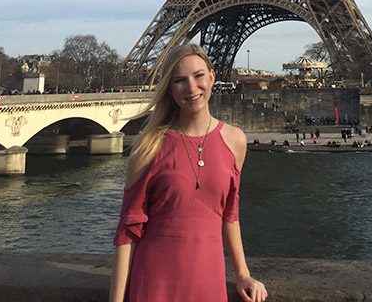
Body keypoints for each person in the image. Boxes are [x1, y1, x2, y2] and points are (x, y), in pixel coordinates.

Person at [109, 43, 268, 302]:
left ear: (212, 77)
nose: (192, 88)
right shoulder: (149, 147)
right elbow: (128, 232)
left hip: (209, 282)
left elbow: (229, 216)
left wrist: (243, 275)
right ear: (170, 90)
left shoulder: (235, 141)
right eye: (180, 81)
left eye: (198, 76)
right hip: (154, 282)